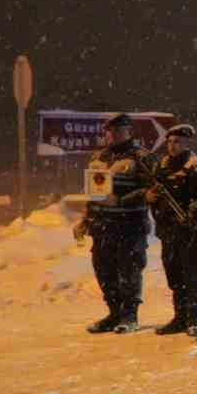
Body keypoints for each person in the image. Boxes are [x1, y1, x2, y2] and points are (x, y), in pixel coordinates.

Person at [75, 113, 156, 334]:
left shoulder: (141, 157)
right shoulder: (98, 158)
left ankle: (129, 316)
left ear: (128, 131)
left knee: (129, 271)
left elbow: (151, 190)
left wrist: (122, 200)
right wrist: (85, 219)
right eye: (109, 131)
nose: (112, 135)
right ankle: (114, 313)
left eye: (118, 130)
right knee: (104, 271)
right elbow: (94, 194)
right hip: (102, 225)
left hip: (130, 225)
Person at [147, 123, 197, 337]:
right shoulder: (161, 165)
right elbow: (153, 193)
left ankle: (193, 318)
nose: (173, 146)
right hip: (168, 230)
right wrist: (151, 198)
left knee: (192, 274)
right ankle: (180, 317)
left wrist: (192, 210)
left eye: (178, 142)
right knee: (174, 275)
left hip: (190, 229)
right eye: (170, 142)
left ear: (188, 143)